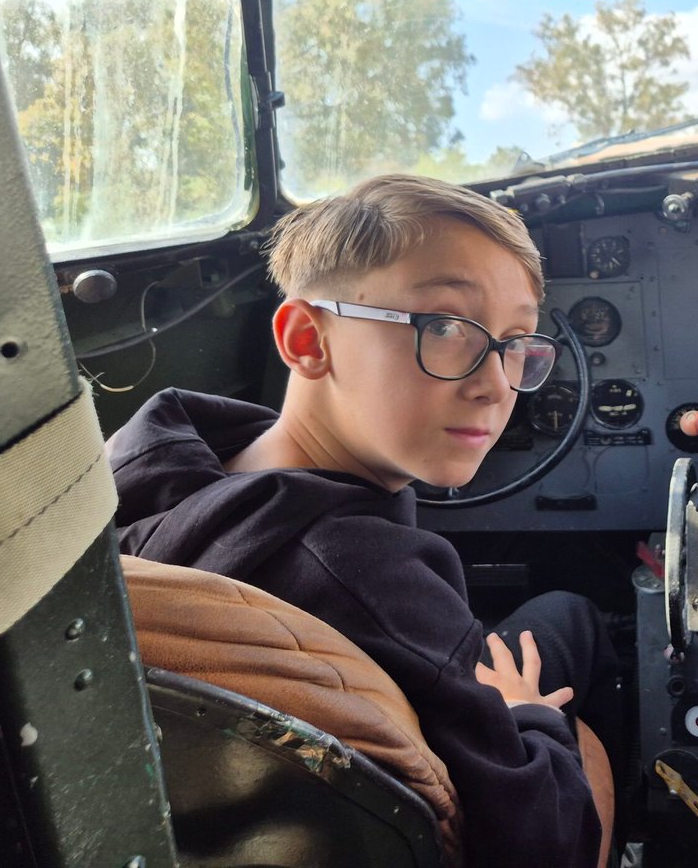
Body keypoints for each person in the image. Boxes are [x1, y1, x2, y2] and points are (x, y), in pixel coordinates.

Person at [110, 174, 619, 868]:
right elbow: (545, 847)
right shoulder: (364, 570)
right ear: (306, 339)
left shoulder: (143, 471)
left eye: (515, 341)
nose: (496, 382)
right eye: (443, 326)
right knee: (576, 619)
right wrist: (525, 712)